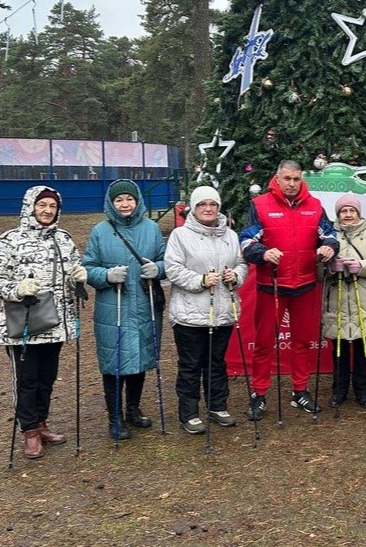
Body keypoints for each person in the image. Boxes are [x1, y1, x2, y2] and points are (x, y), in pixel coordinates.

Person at [0, 186, 87, 459]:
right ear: (30, 206)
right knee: (27, 380)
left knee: (46, 379)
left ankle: (41, 423)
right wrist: (18, 288)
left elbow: (72, 275)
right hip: (24, 327)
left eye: (52, 206)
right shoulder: (11, 240)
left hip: (56, 324)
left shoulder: (64, 239)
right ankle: (28, 431)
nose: (47, 211)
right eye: (42, 205)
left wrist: (78, 277)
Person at [239, 159, 339, 419]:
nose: (292, 184)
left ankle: (300, 391)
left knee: (302, 341)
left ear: (301, 179)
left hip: (304, 284)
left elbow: (330, 234)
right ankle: (259, 394)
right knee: (263, 343)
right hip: (270, 285)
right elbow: (245, 239)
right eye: (287, 179)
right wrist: (262, 252)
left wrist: (329, 247)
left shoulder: (315, 206)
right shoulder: (259, 205)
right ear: (278, 178)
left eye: (296, 179)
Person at [83, 179, 167, 439]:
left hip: (144, 305)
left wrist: (158, 269)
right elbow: (86, 268)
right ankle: (114, 418)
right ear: (111, 203)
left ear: (137, 200)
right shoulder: (100, 231)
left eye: (129, 199)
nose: (125, 204)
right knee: (113, 362)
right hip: (113, 308)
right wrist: (106, 275)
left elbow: (167, 260)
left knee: (140, 358)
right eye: (119, 200)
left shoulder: (152, 229)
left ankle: (133, 409)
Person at [164, 186, 248, 434]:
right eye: (202, 204)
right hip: (190, 314)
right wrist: (200, 281)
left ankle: (217, 405)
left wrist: (236, 276)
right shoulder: (180, 235)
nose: (208, 209)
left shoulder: (231, 235)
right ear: (194, 208)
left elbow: (242, 263)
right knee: (191, 365)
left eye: (213, 204)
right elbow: (173, 269)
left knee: (216, 362)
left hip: (222, 311)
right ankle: (189, 412)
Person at [322, 193, 366, 408]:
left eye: (352, 210)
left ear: (359, 213)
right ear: (338, 214)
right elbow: (316, 270)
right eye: (344, 211)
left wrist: (362, 266)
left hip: (365, 300)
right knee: (339, 348)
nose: (348, 214)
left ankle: (363, 390)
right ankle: (339, 389)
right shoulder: (328, 235)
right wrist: (329, 267)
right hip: (338, 300)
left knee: (364, 347)